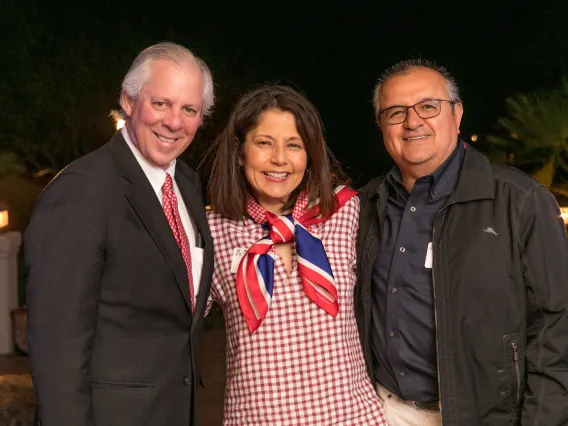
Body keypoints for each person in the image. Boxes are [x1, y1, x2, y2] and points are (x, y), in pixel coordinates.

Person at [355, 58, 568, 426]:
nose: (412, 121)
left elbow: (558, 327)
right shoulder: (367, 204)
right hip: (384, 411)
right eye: (395, 112)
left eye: (428, 106)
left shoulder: (519, 201)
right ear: (381, 125)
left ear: (457, 114)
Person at [25, 42, 215, 426]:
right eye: (160, 103)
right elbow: (57, 350)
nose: (174, 122)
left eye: (189, 110)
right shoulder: (81, 192)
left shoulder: (188, 185)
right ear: (128, 101)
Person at [202, 85, 387, 425]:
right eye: (263, 143)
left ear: (310, 155)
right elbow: (169, 322)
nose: (279, 159)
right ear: (240, 153)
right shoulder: (212, 231)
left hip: (349, 417)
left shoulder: (346, 214)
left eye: (294, 145)